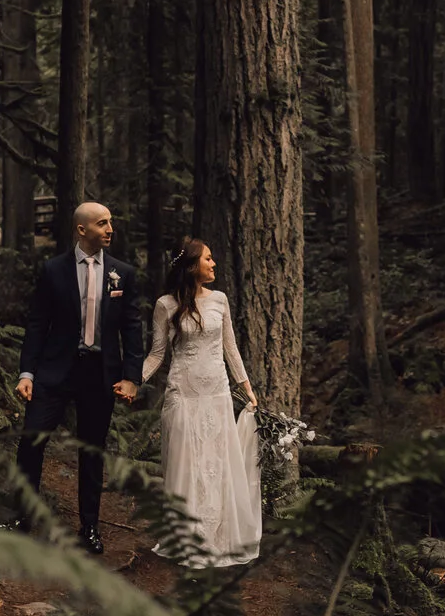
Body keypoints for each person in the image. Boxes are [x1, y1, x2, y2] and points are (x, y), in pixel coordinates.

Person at [16, 202, 147, 554]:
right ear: (81, 230)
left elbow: (133, 330)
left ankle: (89, 527)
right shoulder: (53, 270)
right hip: (54, 371)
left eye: (111, 222)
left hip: (99, 374)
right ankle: (23, 519)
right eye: (102, 223)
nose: (109, 229)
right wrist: (27, 373)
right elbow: (37, 325)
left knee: (92, 452)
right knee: (31, 442)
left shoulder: (123, 273)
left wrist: (132, 377)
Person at [141, 238, 261, 567]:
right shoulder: (166, 304)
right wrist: (133, 379)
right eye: (208, 259)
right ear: (193, 265)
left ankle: (217, 535)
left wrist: (245, 387)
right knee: (186, 462)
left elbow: (230, 349)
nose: (214, 264)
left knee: (216, 462)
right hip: (183, 392)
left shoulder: (220, 300)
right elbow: (157, 354)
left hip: (217, 393)